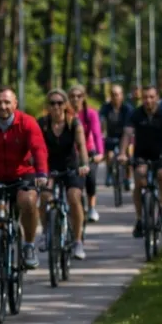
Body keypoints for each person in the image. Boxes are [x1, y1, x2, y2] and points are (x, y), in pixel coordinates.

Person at [0, 86, 49, 271]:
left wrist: (42, 173)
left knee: (28, 201)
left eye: (6, 102)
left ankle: (28, 245)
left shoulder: (27, 122)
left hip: (22, 175)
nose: (2, 106)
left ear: (15, 104)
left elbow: (38, 148)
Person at [37, 89, 92, 260]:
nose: (56, 107)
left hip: (71, 167)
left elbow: (82, 146)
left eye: (60, 103)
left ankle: (77, 241)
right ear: (48, 106)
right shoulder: (43, 123)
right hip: (50, 168)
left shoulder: (73, 123)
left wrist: (84, 164)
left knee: (73, 196)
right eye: (52, 103)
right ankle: (46, 233)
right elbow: (35, 147)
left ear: (65, 104)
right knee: (45, 196)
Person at [123, 84, 162, 237]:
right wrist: (123, 153)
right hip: (142, 155)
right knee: (139, 179)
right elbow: (127, 134)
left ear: (157, 98)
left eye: (151, 97)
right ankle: (139, 220)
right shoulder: (135, 114)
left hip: (161, 155)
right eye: (145, 97)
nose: (148, 100)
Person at [69, 84, 103, 223]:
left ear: (83, 98)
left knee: (91, 178)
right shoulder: (66, 114)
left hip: (88, 151)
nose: (75, 99)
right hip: (71, 153)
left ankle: (92, 207)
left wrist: (100, 153)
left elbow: (97, 134)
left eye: (79, 96)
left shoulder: (90, 114)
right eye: (72, 96)